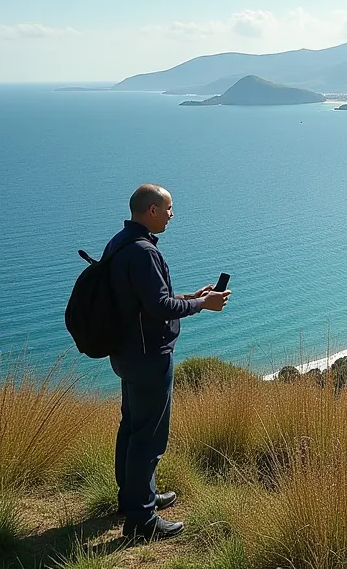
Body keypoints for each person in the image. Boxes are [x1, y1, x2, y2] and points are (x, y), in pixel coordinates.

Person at [104, 183, 230, 541]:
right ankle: (142, 521)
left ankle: (133, 499)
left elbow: (144, 300)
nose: (173, 214)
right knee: (149, 438)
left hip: (126, 353)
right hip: (149, 357)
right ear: (152, 211)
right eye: (169, 208)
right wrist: (203, 305)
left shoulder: (120, 244)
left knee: (131, 428)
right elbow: (159, 308)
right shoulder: (144, 253)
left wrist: (191, 296)